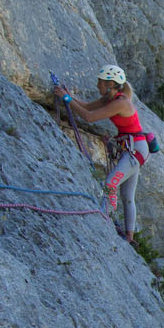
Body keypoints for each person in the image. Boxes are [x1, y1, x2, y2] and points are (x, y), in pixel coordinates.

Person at [58, 65, 151, 245]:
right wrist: (67, 96)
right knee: (127, 195)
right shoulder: (110, 98)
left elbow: (89, 117)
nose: (97, 85)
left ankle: (107, 217)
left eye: (100, 82)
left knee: (110, 183)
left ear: (110, 84)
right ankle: (130, 238)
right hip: (133, 147)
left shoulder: (120, 102)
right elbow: (86, 107)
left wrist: (66, 98)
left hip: (135, 149)